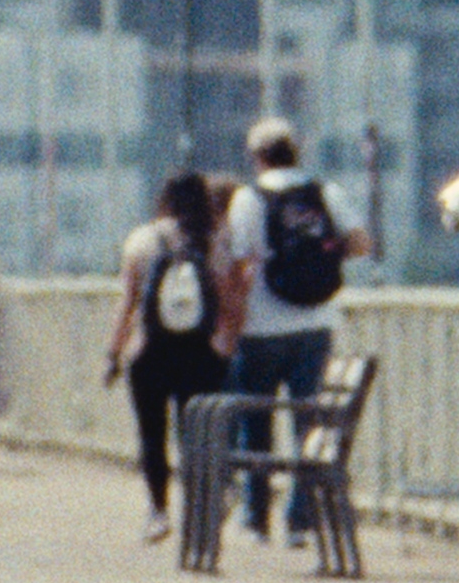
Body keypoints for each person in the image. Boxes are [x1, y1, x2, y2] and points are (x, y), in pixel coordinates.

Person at [213, 116, 376, 545]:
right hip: (316, 323)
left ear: (257, 156)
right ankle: (299, 520)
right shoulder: (325, 193)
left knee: (256, 423)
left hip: (261, 327)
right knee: (309, 425)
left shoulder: (248, 198)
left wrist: (228, 321)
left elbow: (239, 263)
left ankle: (256, 518)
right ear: (296, 151)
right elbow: (361, 243)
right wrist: (324, 251)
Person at [106, 170, 235, 544]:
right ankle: (204, 504)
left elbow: (127, 303)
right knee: (195, 435)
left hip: (150, 352)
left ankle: (158, 512)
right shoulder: (216, 240)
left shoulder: (142, 240)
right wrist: (225, 345)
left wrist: (113, 352)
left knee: (152, 434)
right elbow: (228, 300)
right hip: (200, 354)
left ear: (163, 200)